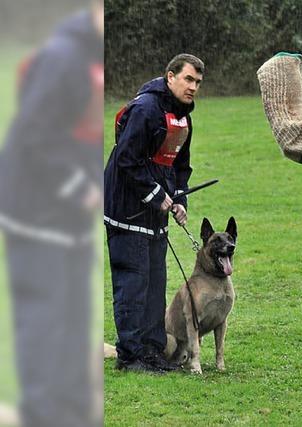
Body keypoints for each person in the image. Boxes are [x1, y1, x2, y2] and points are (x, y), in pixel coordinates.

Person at [0, 1, 104, 425]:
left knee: (73, 331)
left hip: (70, 226)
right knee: (46, 329)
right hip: (37, 222)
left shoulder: (89, 54)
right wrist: (78, 188)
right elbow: (32, 134)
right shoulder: (64, 57)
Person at [104, 53, 204, 373]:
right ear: (170, 76)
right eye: (188, 79)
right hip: (126, 211)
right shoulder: (145, 109)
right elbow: (127, 160)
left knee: (154, 283)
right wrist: (155, 194)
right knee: (134, 283)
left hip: (155, 215)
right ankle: (131, 356)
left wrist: (178, 200)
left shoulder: (184, 118)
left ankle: (151, 352)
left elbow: (179, 167)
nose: (193, 87)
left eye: (198, 82)